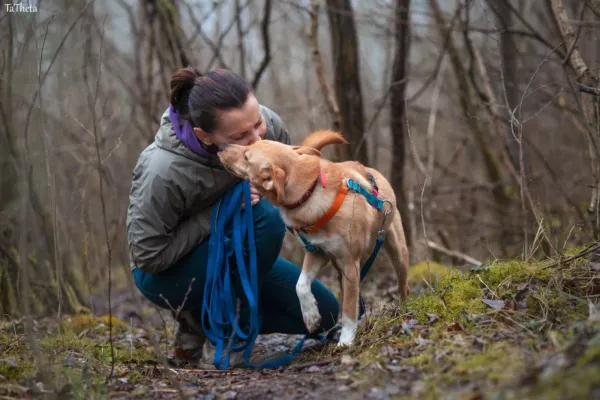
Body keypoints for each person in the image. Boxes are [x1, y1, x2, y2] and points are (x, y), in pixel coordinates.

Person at [125, 67, 340, 368]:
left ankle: (202, 318)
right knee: (264, 215)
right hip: (167, 274)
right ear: (204, 136)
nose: (256, 139)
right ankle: (224, 333)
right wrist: (219, 213)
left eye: (258, 123)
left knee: (328, 313)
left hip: (241, 248)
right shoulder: (162, 172)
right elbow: (149, 256)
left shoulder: (267, 128)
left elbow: (292, 196)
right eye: (240, 136)